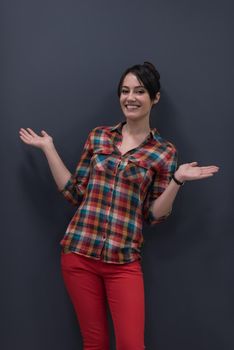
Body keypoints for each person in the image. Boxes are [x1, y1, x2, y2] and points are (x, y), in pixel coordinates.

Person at [19, 61, 219, 350]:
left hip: (123, 261)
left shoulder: (164, 152)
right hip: (79, 254)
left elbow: (153, 215)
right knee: (95, 342)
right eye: (125, 91)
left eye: (139, 91)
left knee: (131, 345)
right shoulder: (99, 136)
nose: (131, 98)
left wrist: (177, 180)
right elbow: (75, 193)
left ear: (155, 97)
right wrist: (49, 148)